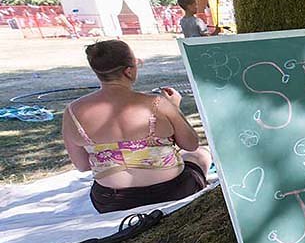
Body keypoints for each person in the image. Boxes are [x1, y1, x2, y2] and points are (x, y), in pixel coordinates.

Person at [62, 40, 212, 213]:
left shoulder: (73, 111)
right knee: (201, 153)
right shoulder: (157, 104)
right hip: (173, 191)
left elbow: (82, 165)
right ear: (128, 71)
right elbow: (191, 144)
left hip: (111, 201)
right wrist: (175, 108)